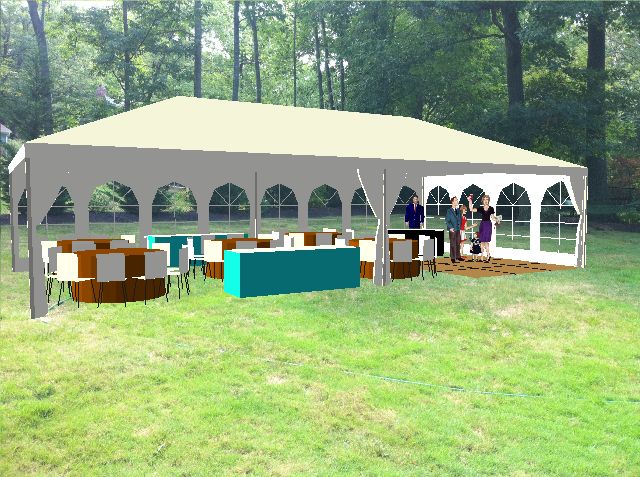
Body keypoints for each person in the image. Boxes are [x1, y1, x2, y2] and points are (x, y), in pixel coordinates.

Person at [468, 194, 496, 262]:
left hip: (488, 225)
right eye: (484, 199)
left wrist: (497, 219)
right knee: (482, 241)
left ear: (488, 200)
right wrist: (470, 201)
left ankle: (488, 256)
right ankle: (482, 257)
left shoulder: (491, 208)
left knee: (486, 241)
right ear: (482, 201)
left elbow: (493, 218)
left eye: (487, 199)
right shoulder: (481, 208)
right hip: (482, 225)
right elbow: (471, 209)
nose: (485, 201)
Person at [445, 196, 463, 263]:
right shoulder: (449, 211)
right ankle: (453, 258)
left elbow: (460, 219)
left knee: (458, 243)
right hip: (452, 230)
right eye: (455, 200)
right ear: (452, 202)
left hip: (458, 229)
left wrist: (460, 227)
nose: (457, 201)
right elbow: (447, 221)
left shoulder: (458, 210)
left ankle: (458, 256)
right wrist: (450, 228)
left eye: (457, 200)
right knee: (453, 244)